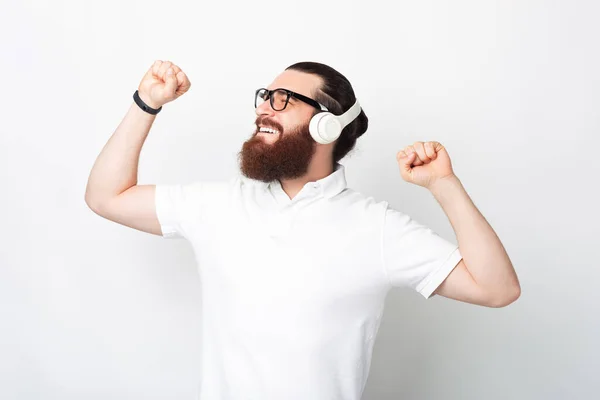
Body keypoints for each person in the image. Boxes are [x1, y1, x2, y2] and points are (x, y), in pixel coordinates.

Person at [85, 60, 521, 400]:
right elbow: (107, 197)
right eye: (264, 96)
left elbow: (496, 289)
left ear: (326, 123)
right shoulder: (218, 206)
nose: (262, 108)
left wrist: (443, 185)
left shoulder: (377, 227)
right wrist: (146, 103)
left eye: (282, 99)